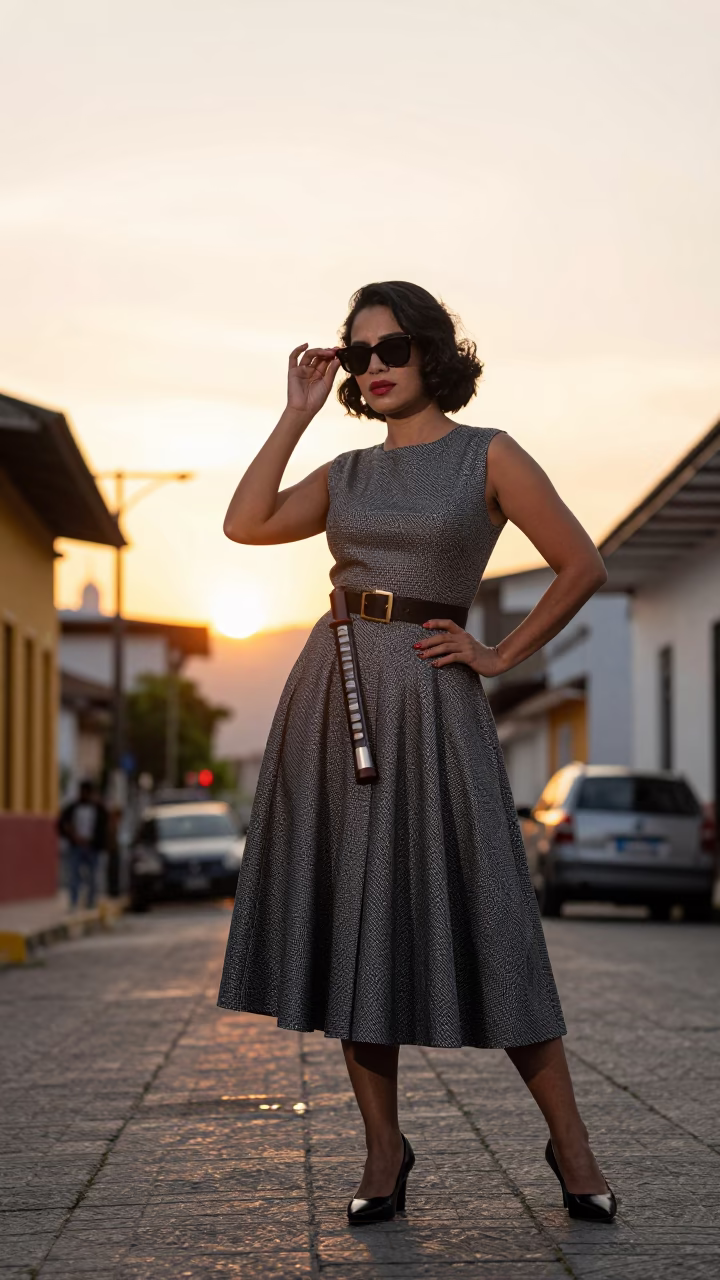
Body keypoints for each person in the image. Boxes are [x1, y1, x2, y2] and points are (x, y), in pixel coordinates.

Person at [217, 281, 617, 1225]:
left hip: (437, 701)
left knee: (493, 913)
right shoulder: (347, 474)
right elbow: (245, 522)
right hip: (336, 693)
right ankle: (384, 1152)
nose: (375, 367)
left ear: (432, 352)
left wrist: (500, 653)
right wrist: (295, 415)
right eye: (357, 355)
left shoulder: (490, 455)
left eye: (391, 348)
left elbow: (582, 563)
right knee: (357, 914)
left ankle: (572, 1143)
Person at [58, 780, 108, 910]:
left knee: (93, 876)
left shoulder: (99, 810)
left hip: (92, 847)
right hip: (76, 846)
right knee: (74, 875)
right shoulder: (72, 809)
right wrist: (73, 837)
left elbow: (104, 828)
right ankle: (73, 902)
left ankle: (90, 902)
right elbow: (62, 825)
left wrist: (95, 841)